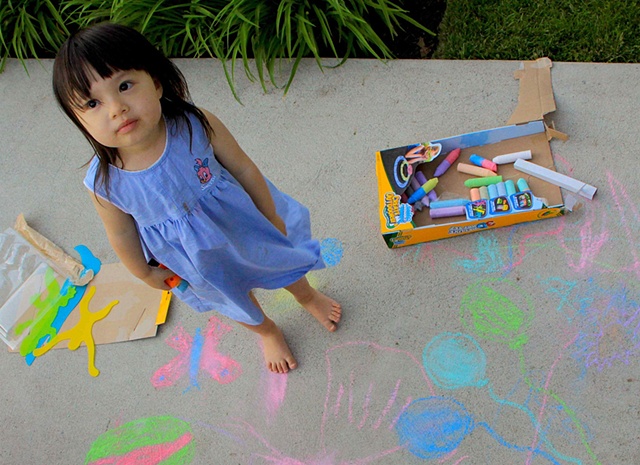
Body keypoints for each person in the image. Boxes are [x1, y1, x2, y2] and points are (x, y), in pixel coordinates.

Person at [52, 22, 341, 374]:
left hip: (245, 225)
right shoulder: (105, 184)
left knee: (280, 261)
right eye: (93, 103)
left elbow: (244, 169)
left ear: (156, 82)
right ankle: (266, 331)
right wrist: (144, 273)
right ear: (80, 122)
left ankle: (307, 296)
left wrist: (270, 214)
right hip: (194, 256)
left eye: (125, 86)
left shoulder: (194, 124)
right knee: (230, 298)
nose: (116, 109)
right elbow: (121, 234)